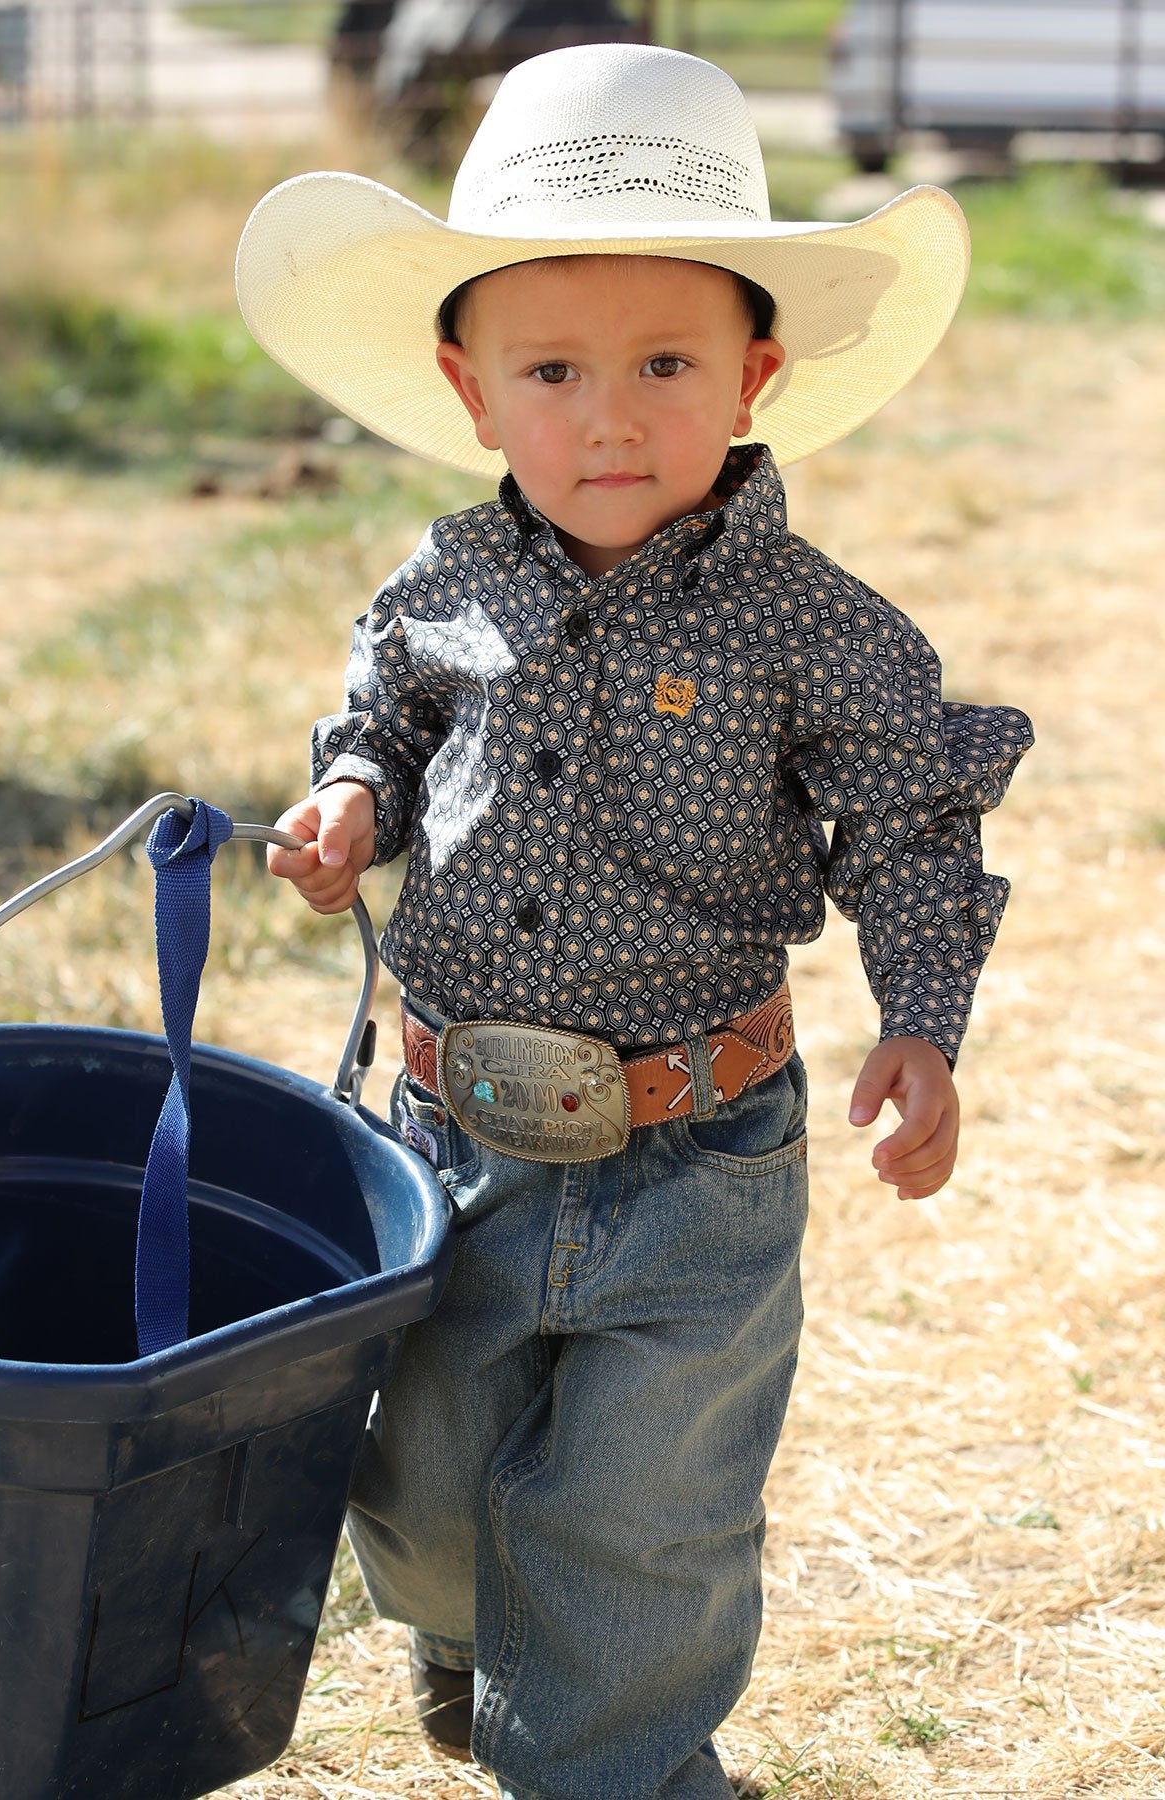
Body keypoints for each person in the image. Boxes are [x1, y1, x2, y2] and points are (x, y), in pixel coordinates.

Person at [236, 41, 1032, 1800]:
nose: (611, 415)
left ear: (754, 376)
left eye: (667, 363)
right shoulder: (441, 582)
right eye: (555, 370)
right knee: (425, 1488)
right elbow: (385, 717)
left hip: (695, 1155)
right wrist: (349, 802)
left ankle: (622, 1760)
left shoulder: (823, 635)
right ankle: (465, 1632)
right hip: (449, 1131)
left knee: (643, 1517)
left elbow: (909, 830)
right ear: (472, 390)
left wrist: (924, 1015)